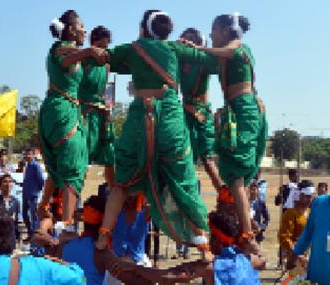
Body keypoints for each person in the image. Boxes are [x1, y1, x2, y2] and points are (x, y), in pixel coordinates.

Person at [89, 9, 221, 252]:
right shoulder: (175, 49)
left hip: (141, 117)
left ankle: (103, 236)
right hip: (171, 116)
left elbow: (104, 58)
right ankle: (202, 241)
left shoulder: (133, 48)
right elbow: (210, 60)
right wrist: (193, 47)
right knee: (183, 175)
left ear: (143, 29)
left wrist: (88, 51)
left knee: (121, 180)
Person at [188, 13, 268, 253]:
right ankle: (249, 226)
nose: (211, 35)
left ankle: (247, 234)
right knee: (236, 179)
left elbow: (231, 50)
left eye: (214, 30)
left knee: (236, 178)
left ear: (225, 30)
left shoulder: (237, 47)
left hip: (244, 110)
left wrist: (198, 47)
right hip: (239, 111)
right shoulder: (222, 57)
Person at [121, 208, 265, 285]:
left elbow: (168, 276)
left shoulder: (209, 268)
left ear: (216, 240)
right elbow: (263, 260)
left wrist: (136, 268)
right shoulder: (250, 260)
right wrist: (251, 245)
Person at [38, 10, 107, 229]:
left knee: (65, 164)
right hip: (61, 110)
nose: (84, 30)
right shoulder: (59, 49)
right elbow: (67, 54)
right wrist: (88, 50)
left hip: (65, 110)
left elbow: (74, 55)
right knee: (74, 164)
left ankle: (45, 206)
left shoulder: (71, 52)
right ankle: (66, 226)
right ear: (70, 30)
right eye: (81, 26)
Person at [59, 193, 156, 285]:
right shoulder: (102, 253)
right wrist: (160, 277)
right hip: (118, 264)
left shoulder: (67, 246)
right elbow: (132, 281)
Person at [178, 27, 222, 192]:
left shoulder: (203, 61)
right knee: (182, 157)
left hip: (201, 114)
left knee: (208, 161)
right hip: (184, 113)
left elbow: (217, 61)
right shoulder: (179, 63)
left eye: (190, 40)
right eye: (184, 39)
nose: (186, 43)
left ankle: (227, 199)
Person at [105, 194, 164, 285]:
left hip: (140, 262)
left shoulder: (145, 211)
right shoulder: (113, 212)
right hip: (117, 263)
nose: (130, 197)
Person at [79, 26, 115, 187]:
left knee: (111, 156)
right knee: (81, 157)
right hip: (84, 113)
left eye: (106, 47)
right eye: (101, 47)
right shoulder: (82, 59)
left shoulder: (107, 65)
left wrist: (107, 110)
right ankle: (73, 198)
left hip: (102, 112)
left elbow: (103, 91)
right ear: (93, 43)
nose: (103, 51)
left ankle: (113, 191)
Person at [278, 180, 315, 262]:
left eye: (312, 196)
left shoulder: (312, 213)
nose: (310, 198)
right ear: (300, 195)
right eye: (307, 196)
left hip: (312, 258)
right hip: (296, 258)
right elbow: (284, 237)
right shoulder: (290, 214)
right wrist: (296, 253)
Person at [22, 147, 44, 240]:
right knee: (24, 214)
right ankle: (30, 233)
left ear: (33, 155)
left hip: (33, 195)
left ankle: (35, 236)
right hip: (26, 194)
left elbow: (41, 180)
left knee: (33, 216)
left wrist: (37, 190)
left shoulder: (35, 166)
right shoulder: (28, 166)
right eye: (26, 154)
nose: (27, 156)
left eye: (29, 154)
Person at [0, 174, 21, 242]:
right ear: (0, 185)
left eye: (10, 182)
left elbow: (16, 223)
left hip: (11, 238)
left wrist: (18, 237)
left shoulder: (15, 202)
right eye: (5, 182)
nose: (8, 184)